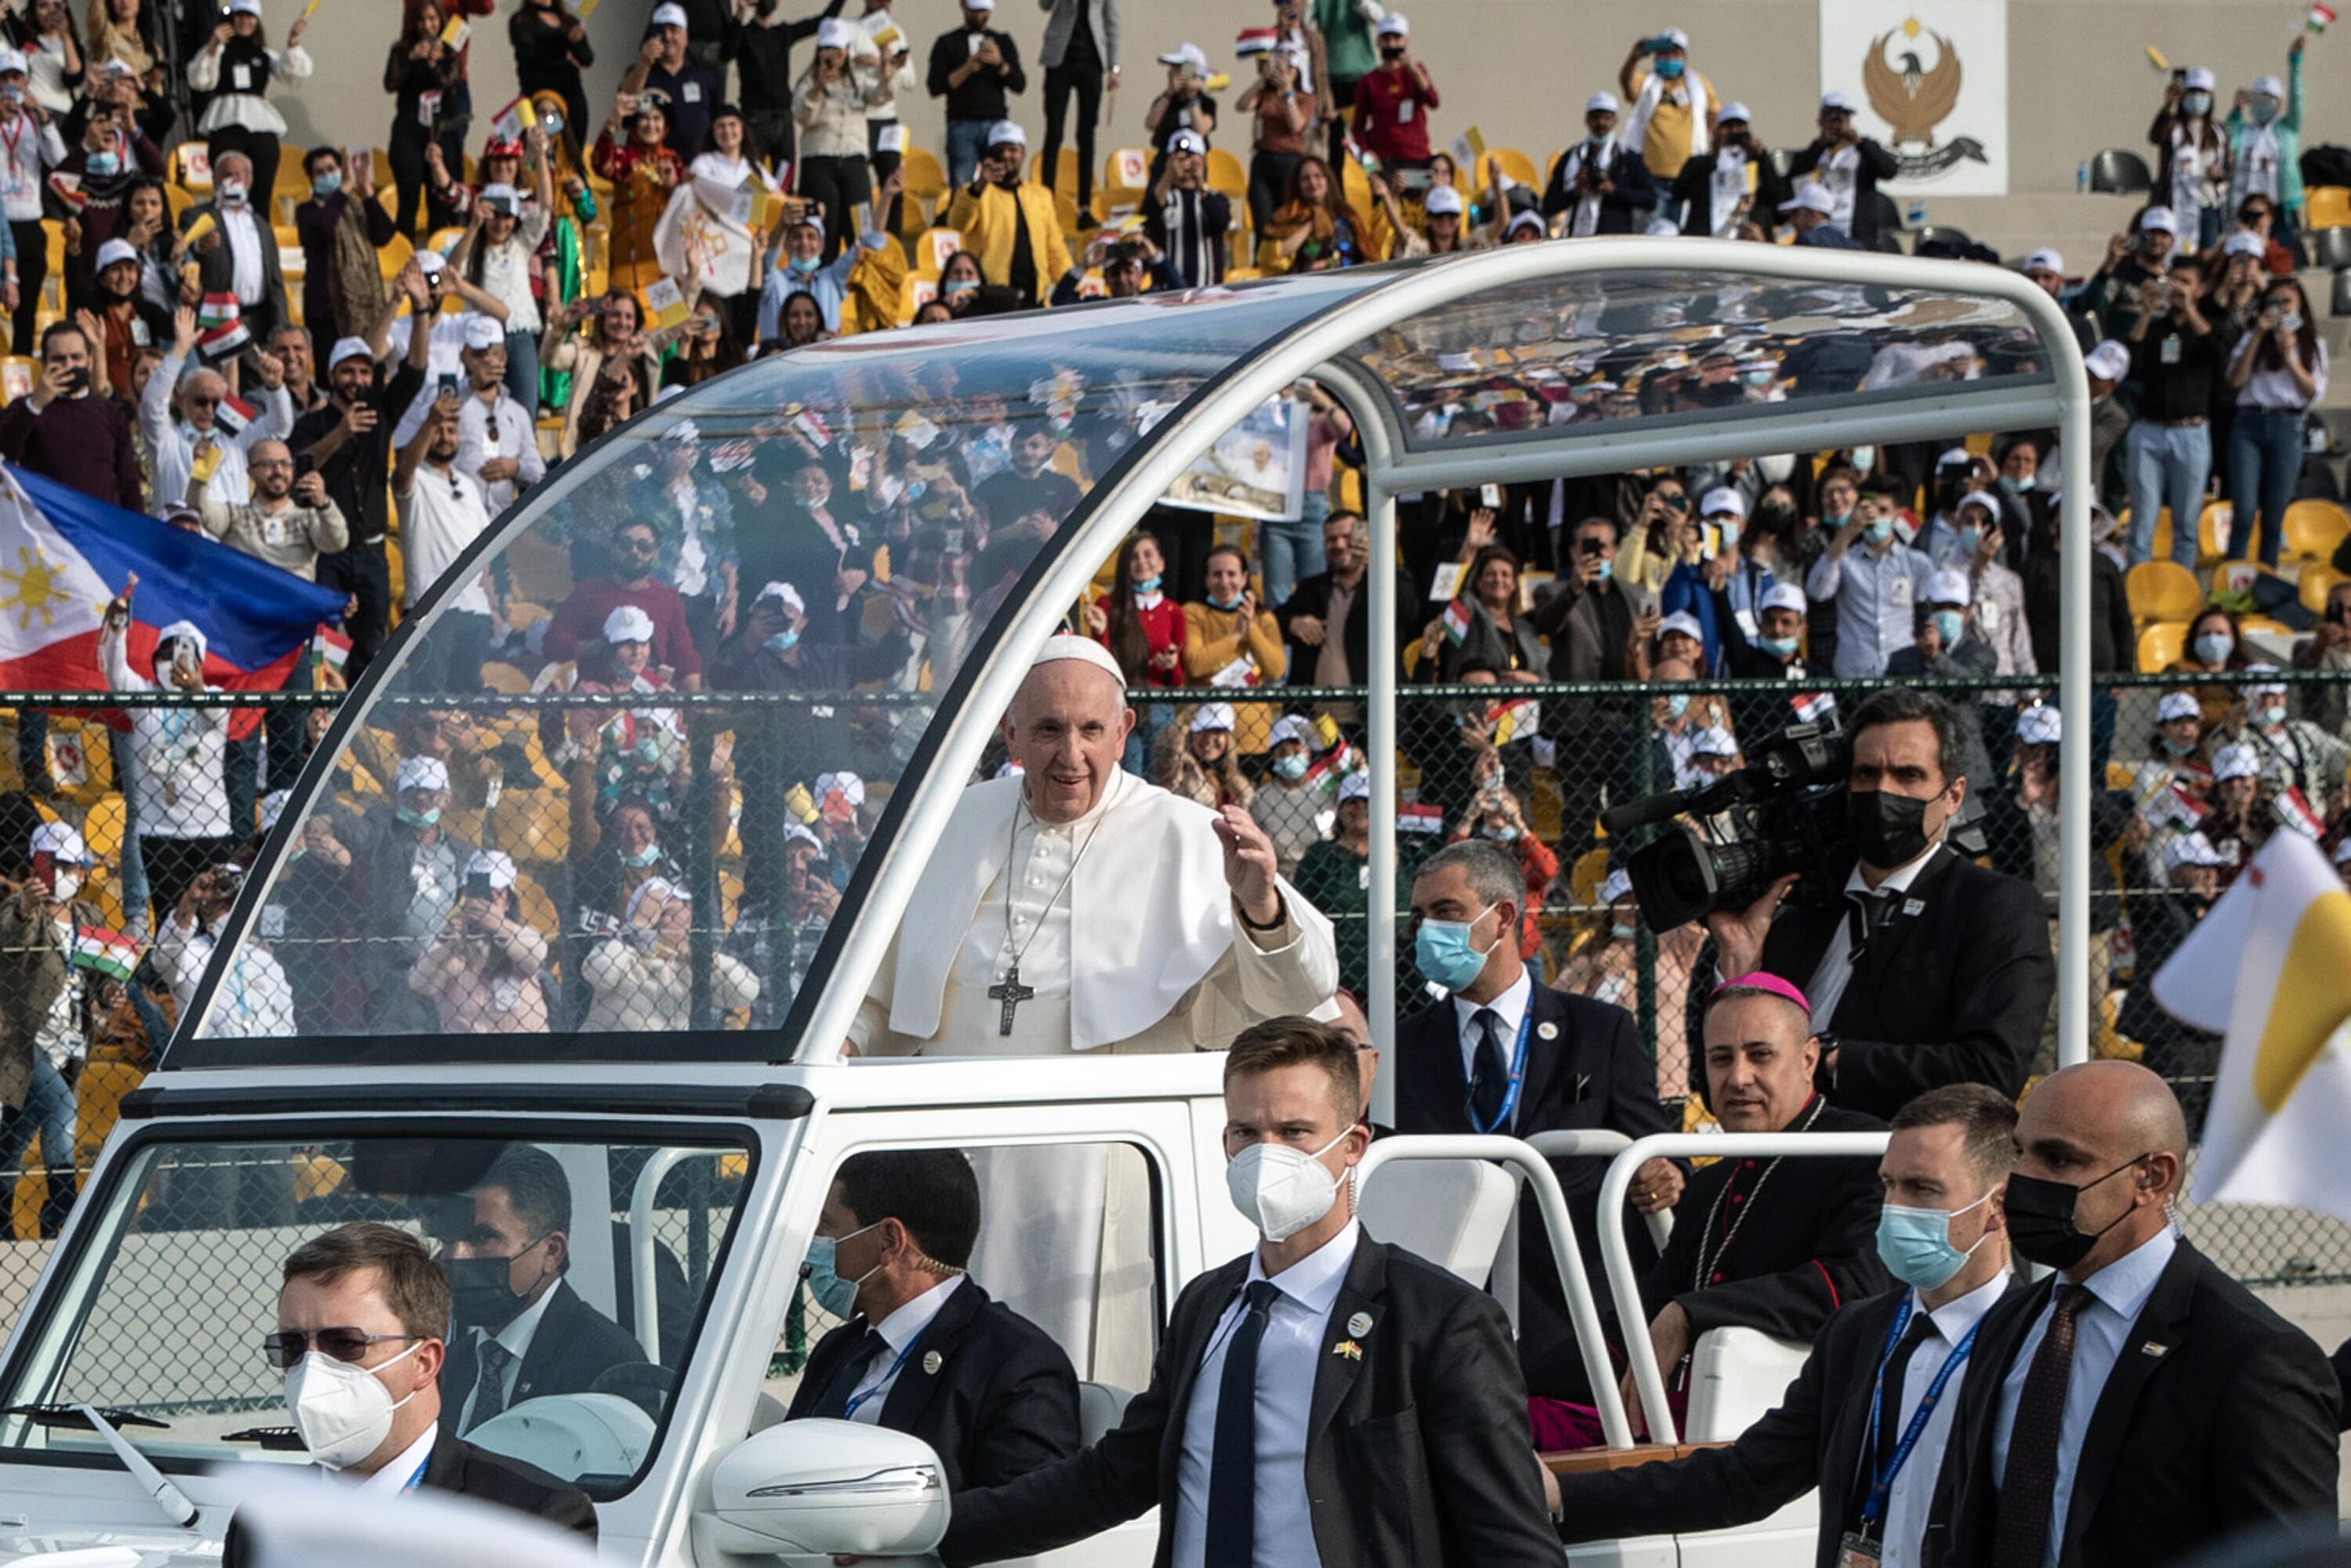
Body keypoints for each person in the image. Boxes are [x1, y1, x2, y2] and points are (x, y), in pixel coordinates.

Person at [939, 1016, 1563, 1568]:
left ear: (1353, 1145)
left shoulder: (1437, 1321)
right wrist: (933, 1531)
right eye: (1246, 1131)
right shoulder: (1208, 1305)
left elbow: (1511, 1541)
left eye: (1294, 1131)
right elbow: (1113, 1476)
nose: (1267, 1154)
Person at [1556, 1084, 2016, 1567]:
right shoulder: (1858, 1335)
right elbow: (1744, 1478)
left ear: (1997, 1206)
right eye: (1888, 1185)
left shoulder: (2034, 1341)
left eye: (1922, 1189)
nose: (1895, 1207)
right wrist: (1560, 1496)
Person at [1942, 1062, 2338, 1568]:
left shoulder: (2252, 1359)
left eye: (2059, 1159)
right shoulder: (2010, 1322)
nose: (2022, 1178)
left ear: (2151, 1177)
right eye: (2021, 1152)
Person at [1392, 840, 1680, 1402]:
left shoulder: (1599, 1032)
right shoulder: (1404, 1046)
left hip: (1575, 1325)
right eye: (1419, 916)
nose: (1427, 931)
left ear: (1502, 916)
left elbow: (1656, 1151)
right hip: (1448, 1325)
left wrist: (1667, 1174)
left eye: (1446, 911)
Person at [1702, 687, 2056, 1121]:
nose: (1883, 792)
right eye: (1867, 774)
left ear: (1953, 795)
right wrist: (1740, 968)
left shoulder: (1993, 907)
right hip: (1780, 1153)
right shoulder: (1797, 913)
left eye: (1908, 775)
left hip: (1901, 1154)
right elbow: (1716, 1081)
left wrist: (1831, 1060)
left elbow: (1989, 1071)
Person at [1618, 975, 1892, 1440]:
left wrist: (1692, 1314)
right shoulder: (1711, 1183)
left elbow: (1852, 1285)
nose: (1738, 1078)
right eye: (1721, 1059)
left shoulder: (1862, 1149)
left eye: (1760, 1055)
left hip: (1805, 1422)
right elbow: (1650, 1307)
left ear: (1808, 1060)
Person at [226, 1222, 595, 1563]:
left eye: (344, 1343)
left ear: (424, 1361)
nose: (312, 1370)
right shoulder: (262, 1522)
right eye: (291, 1347)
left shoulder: (535, 1521)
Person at [787, 1147, 1083, 1491]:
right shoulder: (839, 1349)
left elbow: (1025, 1509)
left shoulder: (1014, 1364)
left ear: (888, 1241)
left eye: (826, 1226)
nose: (814, 1244)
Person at [437, 1146, 642, 1432]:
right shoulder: (450, 1366)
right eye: (448, 1239)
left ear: (552, 1251)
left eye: (482, 1238)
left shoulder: (607, 1364)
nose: (456, 1256)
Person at [392, 386, 496, 690]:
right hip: (431, 608)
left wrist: (495, 608)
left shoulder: (469, 486)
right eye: (439, 430)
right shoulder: (416, 480)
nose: (445, 437)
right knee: (429, 698)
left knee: (467, 700)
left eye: (451, 430)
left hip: (476, 610)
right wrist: (431, 421)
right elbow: (403, 471)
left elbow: (487, 554)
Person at [142, 306, 295, 509]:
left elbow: (279, 428)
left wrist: (275, 387)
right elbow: (152, 405)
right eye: (201, 401)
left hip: (229, 530)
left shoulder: (238, 438)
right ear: (182, 402)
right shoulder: (167, 440)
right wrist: (180, 350)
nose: (209, 409)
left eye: (217, 403)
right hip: (176, 528)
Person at [2123, 255, 2220, 569]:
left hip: (2190, 432)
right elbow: (2131, 363)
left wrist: (2190, 309)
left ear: (2200, 289)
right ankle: (2137, 584)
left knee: (2186, 524)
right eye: (2173, 280)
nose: (2177, 288)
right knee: (2142, 521)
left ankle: (2181, 587)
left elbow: (2218, 352)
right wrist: (2145, 311)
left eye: (2185, 282)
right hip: (2149, 430)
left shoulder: (2205, 328)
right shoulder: (2155, 329)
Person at [2224, 276, 2326, 569]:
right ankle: (2233, 580)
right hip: (2249, 423)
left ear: (2300, 306)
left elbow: (2312, 392)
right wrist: (2258, 334)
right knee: (2244, 512)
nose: (2281, 308)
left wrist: (2289, 355)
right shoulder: (2251, 337)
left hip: (2287, 424)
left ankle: (2266, 579)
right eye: (2275, 302)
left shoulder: (2312, 344)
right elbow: (2236, 380)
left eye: (2287, 302)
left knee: (2274, 516)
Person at [0, 320, 144, 509]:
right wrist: (35, 405)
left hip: (99, 521)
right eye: (59, 359)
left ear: (89, 362)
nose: (69, 365)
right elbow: (5, 454)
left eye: (76, 357)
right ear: (44, 364)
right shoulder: (25, 407)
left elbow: (128, 483)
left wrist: (136, 524)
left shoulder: (111, 412)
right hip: (48, 521)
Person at [542, 520, 703, 688]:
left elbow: (685, 658)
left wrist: (693, 700)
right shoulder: (588, 592)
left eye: (644, 547)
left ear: (656, 553)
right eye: (626, 545)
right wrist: (597, 647)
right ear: (614, 548)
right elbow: (553, 643)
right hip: (594, 695)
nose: (634, 551)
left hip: (649, 696)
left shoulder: (668, 599)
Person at [407, 849, 551, 1034]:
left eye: (494, 895)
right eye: (478, 894)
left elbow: (536, 957)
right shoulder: (450, 938)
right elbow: (419, 984)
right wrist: (448, 945)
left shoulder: (521, 935)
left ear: (508, 902)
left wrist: (500, 926)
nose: (485, 902)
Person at [183, 0, 310, 211]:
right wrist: (213, 46)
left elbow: (294, 75)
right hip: (226, 125)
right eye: (240, 15)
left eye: (250, 16)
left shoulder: (264, 54)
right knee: (227, 193)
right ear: (231, 18)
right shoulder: (219, 51)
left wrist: (293, 42)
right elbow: (199, 80)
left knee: (261, 197)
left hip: (261, 127)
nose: (245, 21)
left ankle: (259, 229)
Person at [1277, 508, 1415, 702]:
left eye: (1347, 537)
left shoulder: (1389, 582)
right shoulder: (1311, 589)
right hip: (1313, 715)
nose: (1339, 545)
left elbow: (1410, 610)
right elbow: (1272, 621)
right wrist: (1294, 623)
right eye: (1331, 539)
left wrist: (1378, 565)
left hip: (1372, 714)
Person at [1806, 490, 1934, 678]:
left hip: (1903, 669)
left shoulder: (1917, 562)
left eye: (1883, 511)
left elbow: (1927, 610)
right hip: (1855, 671)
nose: (1875, 518)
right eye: (1868, 511)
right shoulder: (1845, 560)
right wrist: (1847, 534)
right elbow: (1818, 592)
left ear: (1897, 514)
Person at [944, 121, 1072, 307]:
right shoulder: (975, 193)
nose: (1006, 155)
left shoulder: (1040, 196)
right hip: (991, 300)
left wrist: (1070, 285)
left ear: (1023, 153)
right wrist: (980, 185)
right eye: (1000, 150)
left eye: (1012, 149)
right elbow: (958, 223)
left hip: (1034, 301)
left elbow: (1055, 249)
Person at [190, 435, 346, 581]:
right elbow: (199, 509)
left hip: (290, 601)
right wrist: (201, 473)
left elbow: (337, 543)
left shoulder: (308, 519)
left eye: (285, 464)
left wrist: (324, 505)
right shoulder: (234, 516)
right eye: (268, 464)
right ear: (250, 472)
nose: (278, 471)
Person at [794, 20, 886, 262]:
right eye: (828, 49)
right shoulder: (808, 80)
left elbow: (879, 97)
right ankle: (821, 275)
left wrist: (887, 73)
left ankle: (861, 275)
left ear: (847, 50)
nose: (833, 56)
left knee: (861, 227)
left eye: (838, 49)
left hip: (854, 161)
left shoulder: (859, 78)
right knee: (826, 229)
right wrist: (818, 88)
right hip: (819, 162)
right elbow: (802, 116)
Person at [292, 147, 397, 349]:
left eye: (331, 169)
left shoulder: (357, 207)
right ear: (311, 180)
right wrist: (346, 187)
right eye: (320, 172)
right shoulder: (306, 212)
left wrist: (366, 188)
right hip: (326, 310)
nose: (326, 176)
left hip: (366, 307)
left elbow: (384, 235)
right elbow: (324, 228)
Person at [384, 0, 469, 237]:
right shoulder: (401, 49)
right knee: (408, 199)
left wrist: (434, 64)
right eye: (421, 20)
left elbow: (451, 88)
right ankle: (404, 253)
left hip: (439, 132)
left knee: (439, 203)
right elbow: (390, 84)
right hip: (408, 130)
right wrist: (411, 59)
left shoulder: (450, 51)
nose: (427, 25)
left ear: (440, 20)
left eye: (432, 19)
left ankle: (437, 254)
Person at [2222, 41, 2309, 267]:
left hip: (2278, 208)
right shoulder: (2243, 130)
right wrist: (2236, 111)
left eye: (2269, 99)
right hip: (2244, 209)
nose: (2263, 104)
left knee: (2279, 260)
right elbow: (2226, 142)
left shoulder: (2287, 129)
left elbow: (2297, 100)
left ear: (2279, 104)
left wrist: (2295, 62)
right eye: (2259, 99)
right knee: (2242, 260)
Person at [927, 0, 1025, 189]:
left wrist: (1000, 64)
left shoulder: (1002, 41)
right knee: (962, 185)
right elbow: (935, 87)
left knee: (1000, 183)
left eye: (983, 11)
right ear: (963, 6)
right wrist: (967, 69)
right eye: (974, 11)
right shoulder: (947, 43)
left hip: (996, 123)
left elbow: (1019, 85)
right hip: (961, 123)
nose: (979, 16)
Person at [1038, 0, 1117, 223]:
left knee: (1086, 134)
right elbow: (1045, 5)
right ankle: (1047, 200)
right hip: (1060, 58)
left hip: (1092, 59)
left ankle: (1084, 207)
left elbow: (1112, 21)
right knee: (1054, 132)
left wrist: (1114, 66)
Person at [1785, 91, 1896, 249]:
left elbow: (1890, 170)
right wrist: (1821, 143)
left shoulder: (1863, 151)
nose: (1836, 124)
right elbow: (1794, 176)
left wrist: (1859, 142)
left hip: (1856, 234)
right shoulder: (1817, 152)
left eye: (1842, 117)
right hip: (1824, 233)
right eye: (1831, 117)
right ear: (1821, 120)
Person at [1541, 92, 1654, 239]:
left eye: (1606, 118)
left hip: (1615, 238)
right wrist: (1575, 191)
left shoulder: (1627, 159)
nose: (1601, 123)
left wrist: (1614, 190)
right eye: (1595, 118)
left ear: (1615, 120)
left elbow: (1649, 199)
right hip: (1578, 238)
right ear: (1587, 121)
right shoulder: (1572, 157)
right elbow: (1548, 205)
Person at [1672, 100, 1789, 239]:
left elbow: (1778, 198)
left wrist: (1762, 157)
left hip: (1747, 238)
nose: (1734, 131)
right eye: (1728, 126)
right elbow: (1678, 193)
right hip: (1708, 238)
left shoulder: (1756, 162)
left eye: (1739, 127)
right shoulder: (1701, 162)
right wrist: (1713, 156)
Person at [1617, 25, 1718, 181]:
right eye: (1665, 52)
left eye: (1675, 52)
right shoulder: (1646, 81)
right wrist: (1634, 58)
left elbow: (1713, 115)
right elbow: (1625, 82)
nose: (1670, 57)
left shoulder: (1699, 83)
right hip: (1650, 173)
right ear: (1656, 55)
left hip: (1690, 174)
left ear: (1684, 55)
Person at [1237, 32, 1308, 237]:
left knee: (1288, 219)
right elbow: (1242, 105)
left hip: (1289, 160)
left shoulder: (1304, 98)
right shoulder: (1265, 95)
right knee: (1263, 220)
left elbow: (1296, 125)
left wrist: (1288, 92)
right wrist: (1261, 81)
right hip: (1263, 158)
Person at [1141, 130, 1230, 289]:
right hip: (1168, 291)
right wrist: (1168, 176)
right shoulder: (1164, 196)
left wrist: (1200, 183)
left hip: (1207, 290)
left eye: (1192, 157)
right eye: (1181, 159)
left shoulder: (1213, 197)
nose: (1187, 164)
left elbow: (1221, 221)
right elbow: (1148, 217)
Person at [2152, 66, 2228, 250]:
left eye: (2202, 93)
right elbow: (2155, 136)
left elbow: (2227, 168)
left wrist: (2219, 174)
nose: (2197, 98)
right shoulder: (2174, 127)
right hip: (2176, 203)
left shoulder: (2218, 131)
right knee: (2177, 254)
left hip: (2206, 204)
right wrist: (2168, 106)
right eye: (2192, 92)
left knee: (2205, 255)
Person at [1349, 13, 1434, 172]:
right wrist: (1368, 155)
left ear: (1406, 40)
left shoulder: (1417, 71)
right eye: (1386, 39)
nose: (1391, 44)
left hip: (1417, 156)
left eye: (1397, 38)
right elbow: (1357, 128)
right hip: (1385, 160)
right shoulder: (1369, 81)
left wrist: (1414, 70)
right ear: (1378, 42)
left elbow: (1434, 101)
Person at [510, 0, 595, 140]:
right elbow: (530, 55)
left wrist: (578, 41)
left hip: (572, 98)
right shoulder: (521, 20)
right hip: (541, 100)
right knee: (542, 146)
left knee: (573, 148)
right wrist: (565, 46)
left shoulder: (569, 21)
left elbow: (587, 59)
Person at [1157, 701, 1254, 813]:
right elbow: (1170, 748)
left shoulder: (1238, 785)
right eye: (1202, 731)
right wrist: (1186, 721)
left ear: (1228, 739)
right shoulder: (1179, 771)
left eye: (1217, 732)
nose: (1208, 740)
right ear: (1190, 734)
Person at [1779, 183, 1860, 249]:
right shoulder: (1852, 245)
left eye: (1796, 213)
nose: (1791, 221)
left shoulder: (1806, 241)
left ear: (1813, 215)